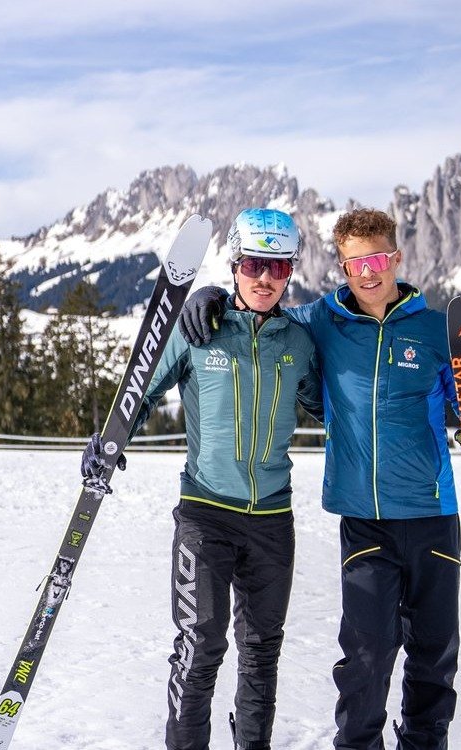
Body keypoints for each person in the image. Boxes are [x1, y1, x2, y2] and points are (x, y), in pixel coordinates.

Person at [179, 207, 461, 750]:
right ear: (342, 266)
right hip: (365, 521)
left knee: (433, 656)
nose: (369, 272)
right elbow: (261, 308)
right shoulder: (320, 323)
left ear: (396, 259)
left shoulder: (433, 328)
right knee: (366, 657)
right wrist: (210, 295)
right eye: (356, 262)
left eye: (378, 258)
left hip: (432, 516)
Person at [81, 208, 323, 750]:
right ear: (236, 263)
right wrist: (110, 439)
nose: (267, 278)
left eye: (280, 268)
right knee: (200, 647)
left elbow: (336, 406)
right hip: (205, 515)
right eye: (256, 264)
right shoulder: (200, 330)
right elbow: (143, 386)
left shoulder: (299, 344)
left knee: (262, 651)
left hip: (271, 522)